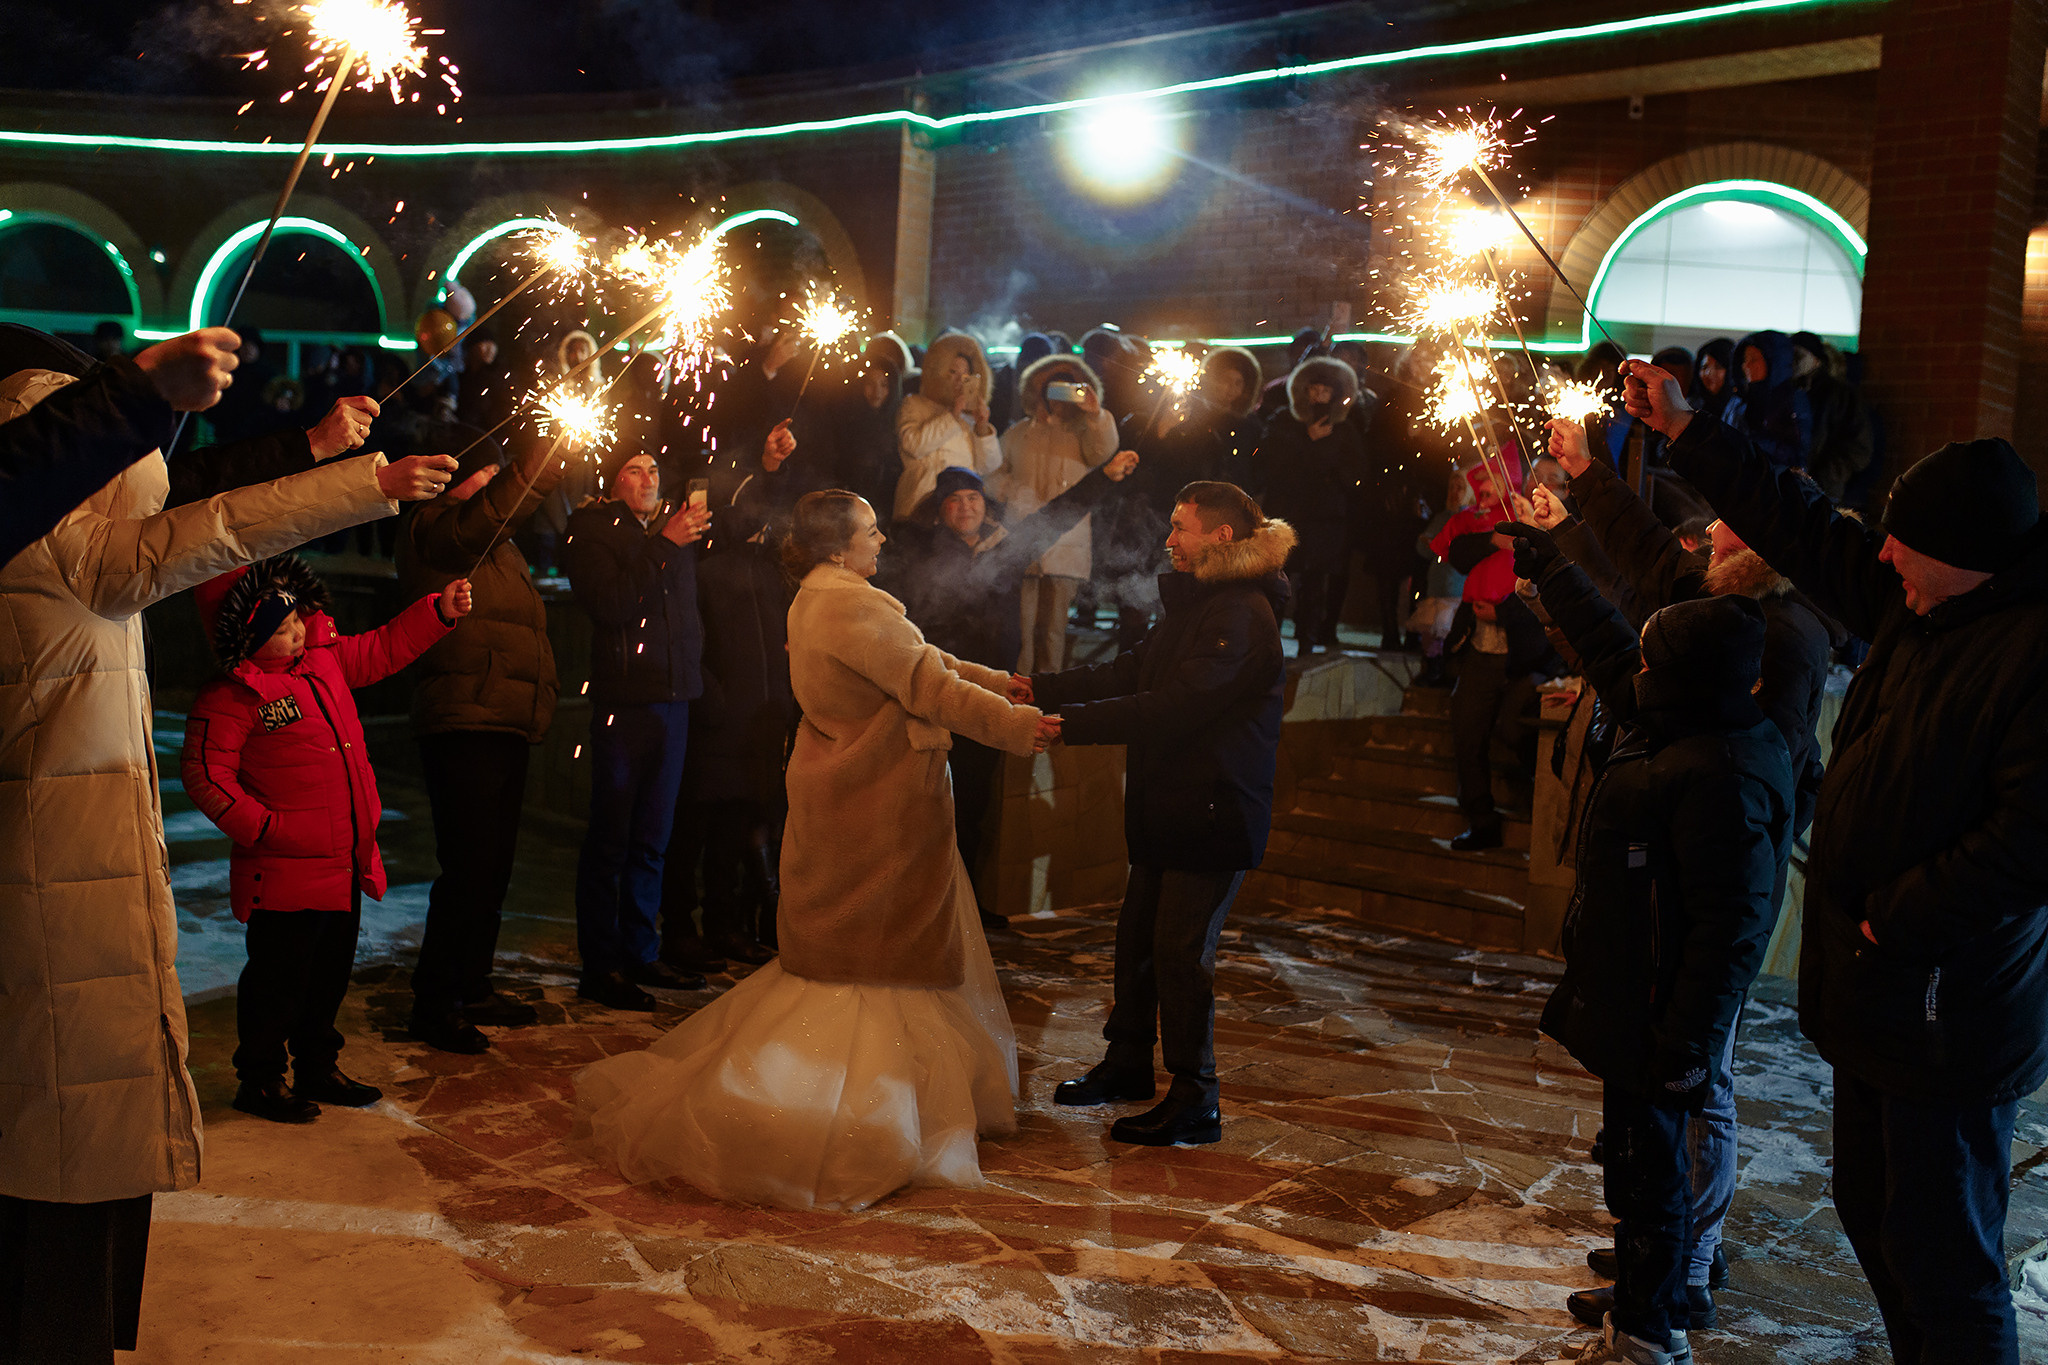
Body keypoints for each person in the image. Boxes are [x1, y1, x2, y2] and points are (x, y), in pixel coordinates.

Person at [0, 353, 453, 1365]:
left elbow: (197, 496)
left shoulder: (69, 538)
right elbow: (214, 530)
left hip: (80, 866)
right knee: (66, 1141)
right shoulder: (63, 546)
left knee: (78, 1137)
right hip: (58, 879)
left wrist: (313, 448)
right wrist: (357, 484)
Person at [1623, 356, 2048, 1365]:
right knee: (1876, 1218)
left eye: (1903, 539)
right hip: (1876, 998)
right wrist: (1689, 430)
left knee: (1943, 1256)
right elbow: (1800, 523)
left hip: (1950, 1007)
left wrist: (1896, 915)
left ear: (1967, 553)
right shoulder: (1917, 601)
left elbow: (2028, 842)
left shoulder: (2030, 652)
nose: (1881, 550)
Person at [574, 489, 1058, 1211]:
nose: (881, 539)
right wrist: (1016, 726)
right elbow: (925, 682)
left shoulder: (823, 596)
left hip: (854, 796)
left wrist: (998, 681)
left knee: (854, 952)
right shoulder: (852, 605)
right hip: (879, 805)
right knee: (873, 961)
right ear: (837, 546)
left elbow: (923, 656)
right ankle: (862, 1119)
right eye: (869, 531)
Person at [1537, 416, 1838, 1330]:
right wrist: (1581, 489)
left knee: (1695, 1083)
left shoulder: (1777, 643)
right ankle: (1661, 1240)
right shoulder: (1723, 612)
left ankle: (1687, 1260)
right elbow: (1643, 574)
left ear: (1771, 552)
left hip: (1698, 892)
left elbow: (1761, 795)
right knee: (1655, 1111)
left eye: (1728, 531)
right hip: (1668, 886)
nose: (1705, 539)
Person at [1504, 523, 1793, 1365]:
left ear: (1682, 676)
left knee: (1657, 1174)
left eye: (1651, 660)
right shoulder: (1685, 716)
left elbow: (1729, 928)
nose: (1634, 671)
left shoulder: (1722, 766)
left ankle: (1648, 1332)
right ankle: (1639, 1301)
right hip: (1637, 997)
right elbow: (1607, 645)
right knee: (1634, 1167)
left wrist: (1688, 1044)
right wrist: (1552, 566)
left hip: (1668, 1014)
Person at [1025, 481, 1292, 1146]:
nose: (1169, 539)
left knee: (1180, 953)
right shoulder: (1198, 603)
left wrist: (1069, 726)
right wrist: (1043, 689)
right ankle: (1126, 1064)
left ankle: (1196, 1096)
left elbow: (1175, 704)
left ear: (1221, 536)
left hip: (1211, 811)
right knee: (1139, 940)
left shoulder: (1240, 613)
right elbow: (1133, 671)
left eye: (1181, 526)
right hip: (1170, 806)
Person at [181, 557, 467, 1123]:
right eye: (283, 628)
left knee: (330, 972)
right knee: (277, 980)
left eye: (296, 621)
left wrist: (437, 611)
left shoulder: (324, 662)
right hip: (284, 868)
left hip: (341, 858)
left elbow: (383, 648)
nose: (298, 631)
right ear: (247, 637)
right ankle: (260, 1079)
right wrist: (265, 827)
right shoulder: (233, 697)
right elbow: (206, 775)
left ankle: (317, 1063)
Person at [892, 455, 1142, 931]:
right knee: (932, 807)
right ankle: (929, 910)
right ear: (940, 510)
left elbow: (1057, 516)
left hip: (992, 697)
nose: (965, 508)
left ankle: (967, 906)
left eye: (973, 499)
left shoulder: (1003, 552)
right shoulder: (920, 555)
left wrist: (1104, 478)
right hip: (938, 694)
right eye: (954, 501)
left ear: (986, 507)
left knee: (978, 804)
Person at [397, 435, 566, 1053]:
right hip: (463, 716)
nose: (495, 486)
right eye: (485, 476)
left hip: (503, 717)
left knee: (492, 867)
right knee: (467, 867)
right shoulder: (435, 531)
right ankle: (434, 999)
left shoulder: (502, 550)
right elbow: (490, 514)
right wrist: (541, 462)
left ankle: (472, 982)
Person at [563, 451, 715, 1010]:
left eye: (654, 470)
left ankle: (641, 952)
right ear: (611, 480)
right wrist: (665, 546)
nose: (649, 480)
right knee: (612, 839)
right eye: (635, 470)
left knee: (652, 839)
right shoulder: (591, 529)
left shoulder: (667, 528)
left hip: (675, 700)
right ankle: (601, 965)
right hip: (624, 706)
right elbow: (613, 604)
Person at [1430, 457, 1552, 850]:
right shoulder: (1499, 515)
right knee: (1466, 728)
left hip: (1528, 656)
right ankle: (1481, 819)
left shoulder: (1559, 529)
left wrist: (1503, 613)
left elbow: (1550, 593)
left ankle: (1542, 807)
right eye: (1539, 477)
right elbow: (1460, 550)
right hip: (1482, 648)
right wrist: (1491, 540)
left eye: (1555, 480)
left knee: (1515, 728)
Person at [992, 353, 1119, 671]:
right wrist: (1009, 492)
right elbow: (992, 475)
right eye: (1051, 388)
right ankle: (1017, 693)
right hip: (1021, 539)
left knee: (1053, 631)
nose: (1058, 395)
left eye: (1068, 387)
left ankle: (1048, 694)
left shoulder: (1084, 431)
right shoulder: (1018, 433)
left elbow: (1104, 451)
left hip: (1066, 544)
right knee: (1021, 627)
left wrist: (1096, 414)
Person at [1256, 354, 1368, 656]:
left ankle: (1307, 643)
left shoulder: (1345, 428)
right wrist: (1308, 440)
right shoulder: (1283, 420)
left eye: (1325, 391)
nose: (1318, 396)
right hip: (1287, 514)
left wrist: (1332, 468)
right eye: (1313, 389)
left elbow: (1357, 472)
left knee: (1314, 584)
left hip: (1325, 520)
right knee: (1277, 581)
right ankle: (1268, 643)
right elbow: (1269, 461)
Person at [895, 331, 1001, 519]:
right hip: (920, 504)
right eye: (952, 372)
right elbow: (915, 446)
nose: (958, 381)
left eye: (965, 375)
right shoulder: (915, 404)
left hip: (960, 512)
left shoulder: (971, 417)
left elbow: (988, 466)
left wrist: (982, 427)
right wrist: (952, 414)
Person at [1789, 330, 1874, 501]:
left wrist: (1829, 475)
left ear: (1816, 359)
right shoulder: (1789, 393)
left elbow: (1859, 447)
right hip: (1794, 487)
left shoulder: (1839, 394)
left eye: (1799, 355)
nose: (1793, 362)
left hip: (1825, 491)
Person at [1723, 330, 1812, 472]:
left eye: (1754, 360)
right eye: (1744, 360)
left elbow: (1799, 453)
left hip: (1775, 484)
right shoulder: (1739, 400)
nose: (1746, 366)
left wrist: (1753, 442)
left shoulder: (1793, 400)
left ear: (1774, 362)